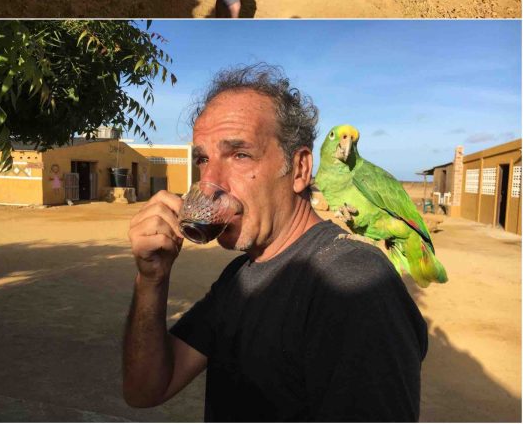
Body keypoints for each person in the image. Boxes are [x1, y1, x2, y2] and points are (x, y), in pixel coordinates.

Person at [123, 64, 428, 422]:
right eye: (203, 159)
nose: (211, 180)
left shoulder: (353, 284)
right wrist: (151, 281)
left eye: (239, 155)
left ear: (299, 169)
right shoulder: (240, 277)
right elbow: (145, 389)